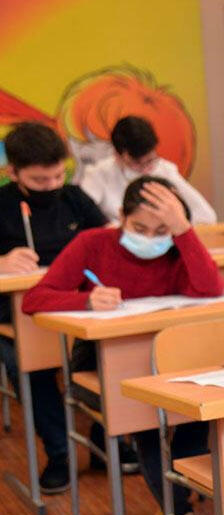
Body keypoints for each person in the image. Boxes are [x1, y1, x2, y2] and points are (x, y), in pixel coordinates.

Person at [23, 176, 224, 515]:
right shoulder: (93, 243)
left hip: (170, 362)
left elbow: (211, 288)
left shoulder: (180, 246)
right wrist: (85, 300)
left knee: (194, 408)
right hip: (100, 366)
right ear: (120, 217)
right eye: (139, 228)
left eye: (161, 230)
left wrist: (183, 231)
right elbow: (35, 299)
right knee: (148, 418)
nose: (150, 239)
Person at [0, 121, 111, 493]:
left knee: (109, 354)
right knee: (26, 364)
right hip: (17, 314)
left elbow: (106, 241)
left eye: (57, 176)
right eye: (39, 180)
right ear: (13, 172)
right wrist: (2, 262)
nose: (50, 186)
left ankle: (104, 440)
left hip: (77, 304)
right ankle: (60, 452)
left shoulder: (74, 197)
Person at [78, 116, 217, 225]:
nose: (145, 170)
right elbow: (81, 215)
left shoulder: (165, 170)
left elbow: (206, 216)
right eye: (137, 163)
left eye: (150, 160)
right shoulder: (99, 174)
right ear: (117, 155)